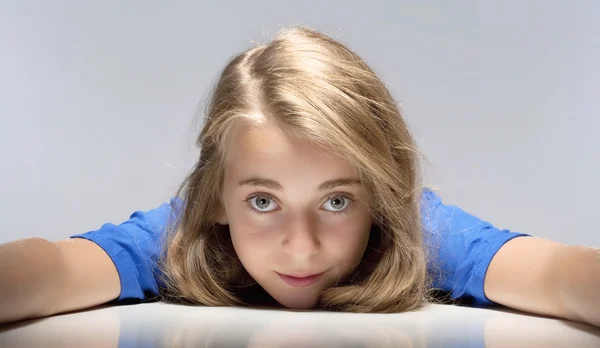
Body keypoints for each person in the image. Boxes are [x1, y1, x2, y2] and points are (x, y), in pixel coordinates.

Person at [0, 25, 598, 327]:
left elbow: (558, 274)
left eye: (337, 202)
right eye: (263, 201)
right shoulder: (183, 238)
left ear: (382, 201)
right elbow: (50, 271)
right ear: (216, 199)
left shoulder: (419, 232)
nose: (302, 245)